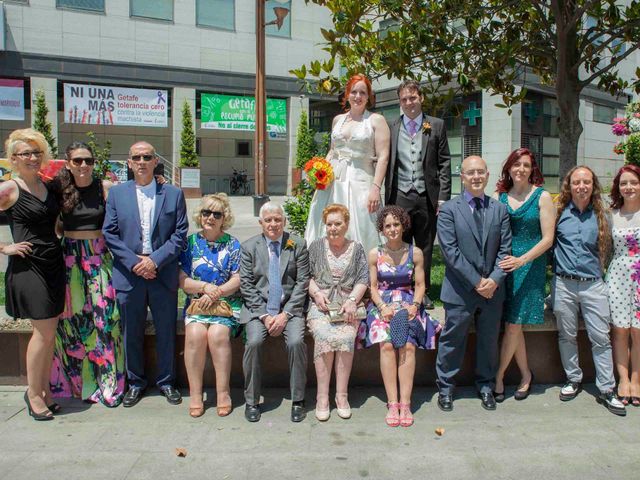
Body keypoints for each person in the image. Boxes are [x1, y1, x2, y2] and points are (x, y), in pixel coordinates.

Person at [102, 141, 188, 408]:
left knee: (166, 330)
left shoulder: (173, 194)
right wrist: (135, 262)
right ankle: (135, 382)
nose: (141, 161)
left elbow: (179, 233)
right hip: (130, 275)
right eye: (136, 157)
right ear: (129, 162)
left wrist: (155, 261)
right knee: (131, 332)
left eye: (147, 157)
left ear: (155, 161)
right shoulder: (117, 194)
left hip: (162, 274)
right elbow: (110, 233)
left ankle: (166, 382)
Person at [48, 142, 125, 407]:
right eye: (78, 161)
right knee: (70, 322)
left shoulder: (104, 188)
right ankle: (76, 384)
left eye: (88, 160)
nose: (83, 166)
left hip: (99, 257)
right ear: (67, 163)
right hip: (69, 258)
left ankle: (108, 384)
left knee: (105, 320)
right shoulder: (58, 190)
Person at [435, 155, 511, 412]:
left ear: (488, 175)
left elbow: (505, 251)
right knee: (452, 341)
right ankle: (445, 388)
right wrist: (477, 281)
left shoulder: (499, 209)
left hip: (493, 290)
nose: (476, 176)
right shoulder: (448, 210)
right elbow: (450, 251)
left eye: (481, 172)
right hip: (460, 290)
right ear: (462, 177)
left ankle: (486, 386)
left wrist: (494, 280)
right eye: (471, 172)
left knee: (489, 342)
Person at [0, 128, 64, 420]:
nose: (32, 157)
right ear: (13, 158)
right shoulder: (9, 189)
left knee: (49, 334)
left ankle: (44, 391)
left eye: (36, 152)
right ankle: (33, 393)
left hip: (53, 262)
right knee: (42, 332)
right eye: (25, 153)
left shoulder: (47, 185)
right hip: (28, 267)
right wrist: (5, 248)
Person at [357, 206, 441, 427]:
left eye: (396, 224)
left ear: (403, 225)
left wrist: (414, 305)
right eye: (387, 226)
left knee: (407, 345)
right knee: (386, 344)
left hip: (408, 302)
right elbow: (372, 287)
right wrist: (383, 307)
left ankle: (406, 403)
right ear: (382, 229)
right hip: (382, 304)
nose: (392, 229)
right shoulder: (375, 253)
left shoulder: (415, 253)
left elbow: (421, 285)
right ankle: (392, 403)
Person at [553, 166, 625, 416]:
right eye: (576, 182)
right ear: (569, 186)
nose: (581, 186)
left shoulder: (603, 213)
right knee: (566, 335)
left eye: (586, 182)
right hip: (563, 284)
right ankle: (573, 379)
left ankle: (607, 389)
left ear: (593, 185)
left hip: (594, 284)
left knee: (600, 338)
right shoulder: (559, 211)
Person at [493, 148, 555, 402]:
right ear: (508, 168)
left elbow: (548, 239)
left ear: (533, 170)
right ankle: (526, 374)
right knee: (513, 323)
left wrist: (522, 260)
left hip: (530, 266)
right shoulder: (500, 197)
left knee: (512, 324)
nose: (521, 169)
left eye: (526, 165)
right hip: (506, 266)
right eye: (516, 164)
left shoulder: (543, 197)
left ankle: (498, 377)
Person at [305, 73, 391, 254]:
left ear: (369, 97)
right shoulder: (338, 120)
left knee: (361, 224)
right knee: (328, 221)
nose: (358, 97)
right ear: (347, 95)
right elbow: (332, 150)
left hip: (361, 182)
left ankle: (363, 270)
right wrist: (320, 171)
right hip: (333, 183)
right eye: (354, 92)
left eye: (363, 93)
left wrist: (376, 187)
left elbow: (383, 156)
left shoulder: (376, 120)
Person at [240, 202, 310, 423]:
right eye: (268, 220)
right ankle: (251, 401)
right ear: (261, 223)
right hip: (258, 310)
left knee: (296, 342)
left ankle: (298, 399)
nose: (273, 224)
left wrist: (285, 314)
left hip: (290, 309)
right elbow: (247, 285)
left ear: (284, 221)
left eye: (277, 219)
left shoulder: (297, 244)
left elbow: (302, 282)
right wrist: (265, 316)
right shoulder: (249, 247)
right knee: (253, 342)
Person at [386, 80, 451, 309]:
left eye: (412, 98)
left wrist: (443, 198)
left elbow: (444, 163)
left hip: (427, 197)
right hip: (400, 195)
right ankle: (402, 289)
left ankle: (421, 291)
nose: (408, 103)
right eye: (404, 99)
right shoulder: (391, 127)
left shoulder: (437, 125)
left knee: (424, 246)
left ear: (421, 98)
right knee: (400, 245)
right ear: (399, 101)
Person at [179, 194, 242, 418]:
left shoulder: (233, 244)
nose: (211, 218)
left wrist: (217, 293)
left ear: (224, 218)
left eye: (217, 214)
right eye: (207, 212)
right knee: (195, 334)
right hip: (197, 303)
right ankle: (196, 394)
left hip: (225, 304)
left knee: (217, 335)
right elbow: (183, 280)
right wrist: (206, 287)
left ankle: (223, 393)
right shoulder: (190, 243)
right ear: (200, 215)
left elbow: (237, 279)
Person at [307, 204, 369, 421]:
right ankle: (322, 397)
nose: (333, 228)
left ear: (347, 224)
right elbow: (306, 275)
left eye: (337, 223)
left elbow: (363, 278)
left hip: (347, 307)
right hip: (321, 305)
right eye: (329, 224)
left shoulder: (357, 248)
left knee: (346, 337)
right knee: (323, 336)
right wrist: (316, 294)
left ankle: (341, 396)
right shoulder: (316, 247)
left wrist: (352, 300)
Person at [606, 165, 640, 407]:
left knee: (638, 331)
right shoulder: (611, 214)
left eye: (634, 182)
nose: (629, 187)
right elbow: (605, 250)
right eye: (624, 183)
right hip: (617, 276)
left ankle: (636, 380)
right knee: (619, 330)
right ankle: (623, 379)